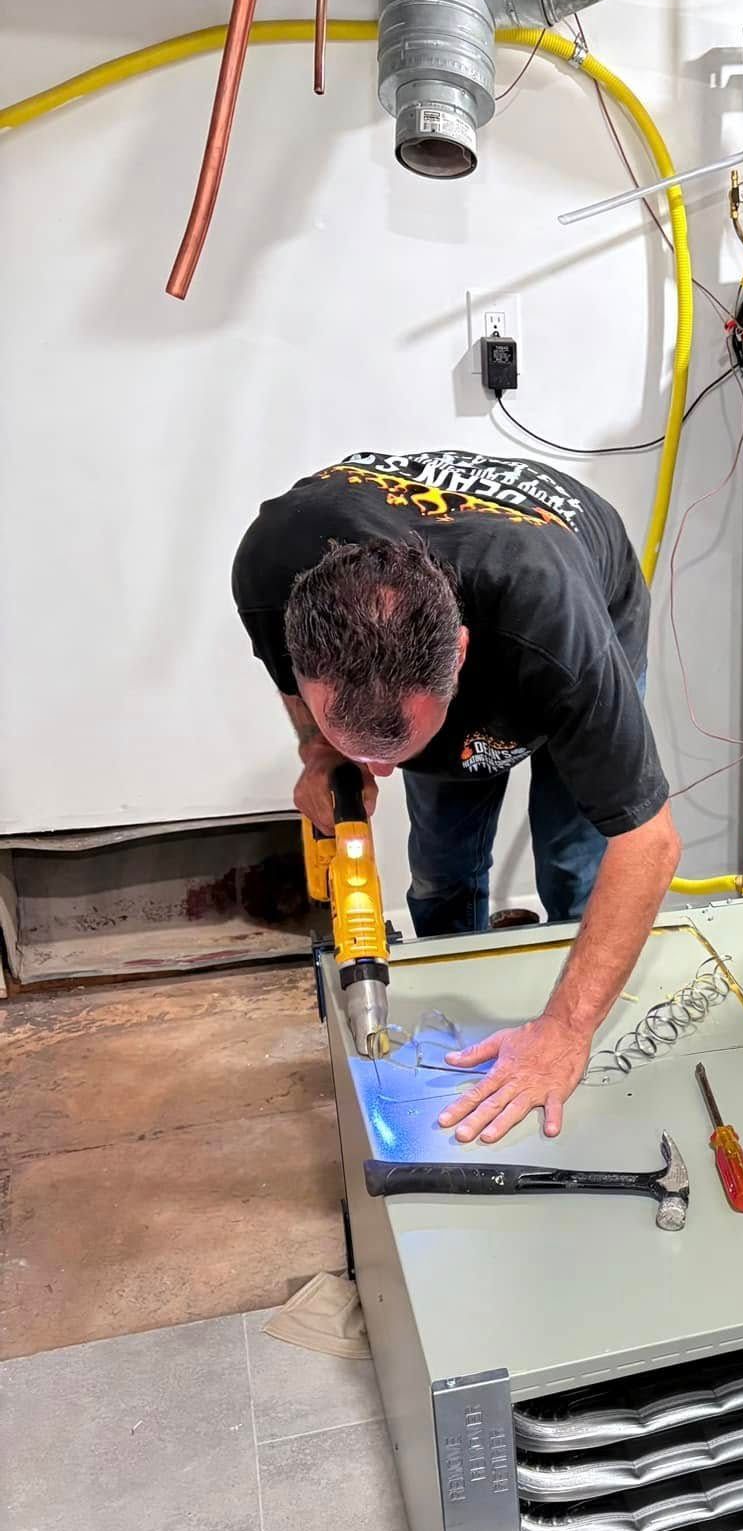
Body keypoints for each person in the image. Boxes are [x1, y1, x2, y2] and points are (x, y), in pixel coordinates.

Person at [233, 448, 680, 1144]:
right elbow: (298, 695)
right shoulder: (270, 567)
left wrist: (563, 1031)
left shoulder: (556, 630)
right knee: (442, 863)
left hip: (575, 583)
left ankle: (560, 1022)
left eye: (393, 754)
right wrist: (320, 751)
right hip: (449, 621)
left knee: (574, 862)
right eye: (362, 752)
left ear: (462, 655)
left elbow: (648, 841)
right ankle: (466, 1029)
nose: (374, 776)